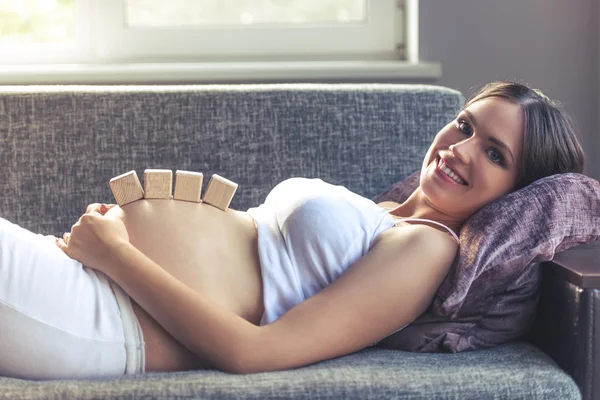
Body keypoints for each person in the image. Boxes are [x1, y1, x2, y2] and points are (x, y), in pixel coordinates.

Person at [0, 81, 585, 380]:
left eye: (494, 154)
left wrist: (119, 257)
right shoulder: (386, 214)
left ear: (518, 192)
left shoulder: (429, 248)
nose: (459, 150)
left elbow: (255, 352)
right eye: (464, 125)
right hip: (84, 280)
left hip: (103, 320)